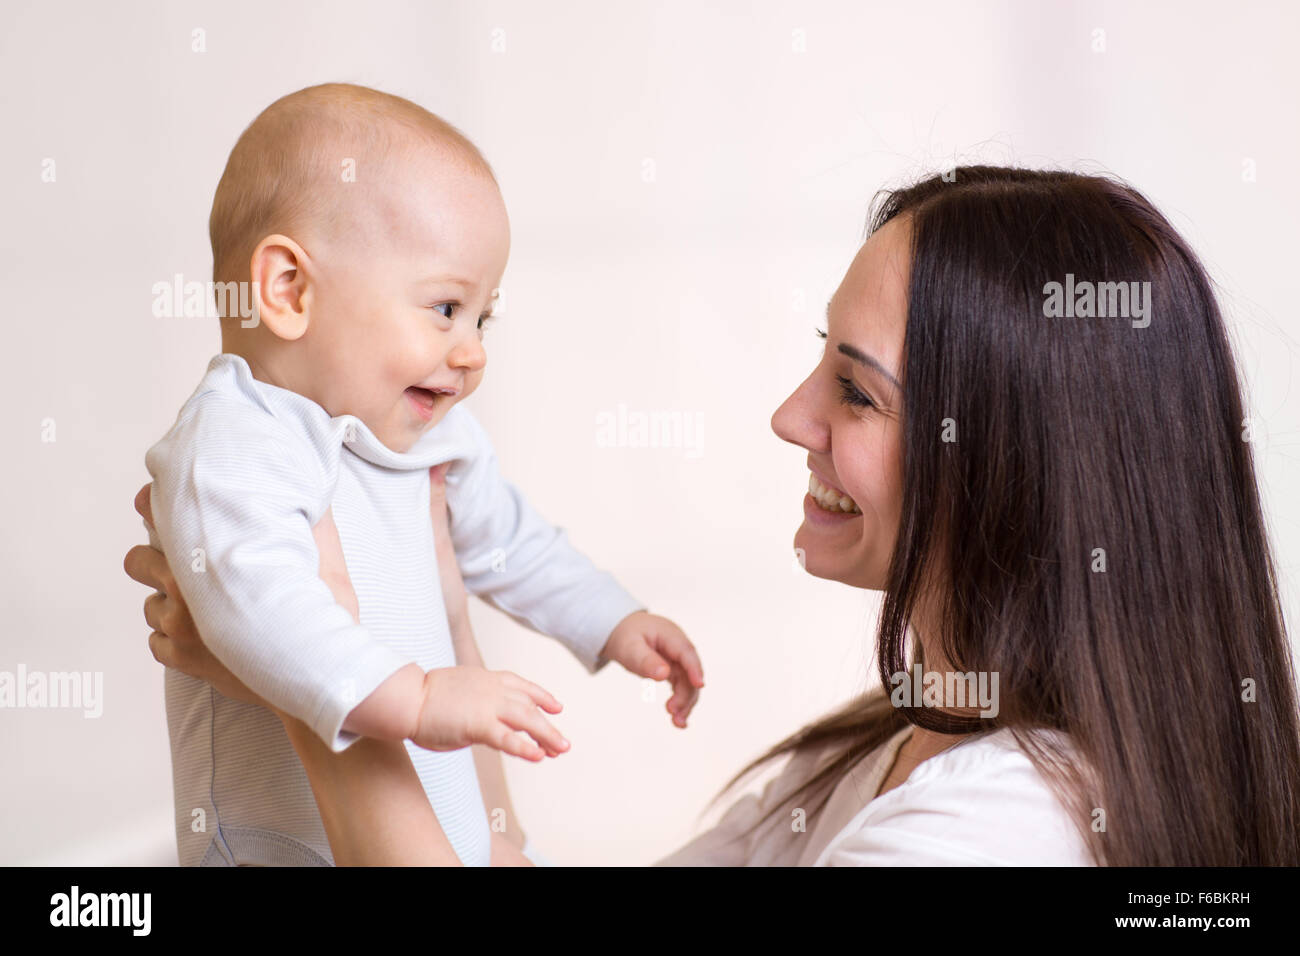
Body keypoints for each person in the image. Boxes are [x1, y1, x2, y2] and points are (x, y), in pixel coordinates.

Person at [127, 165, 1300, 865]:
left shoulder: (987, 838)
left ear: (1012, 462)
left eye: (855, 389)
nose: (791, 418)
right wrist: (430, 612)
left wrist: (318, 693)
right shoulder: (884, 746)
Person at [139, 82, 702, 868]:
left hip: (428, 823)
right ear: (288, 290)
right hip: (275, 842)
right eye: (445, 308)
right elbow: (256, 602)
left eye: (484, 318)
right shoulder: (236, 437)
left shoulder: (433, 438)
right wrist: (422, 697)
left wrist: (612, 619)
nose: (472, 350)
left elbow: (512, 541)